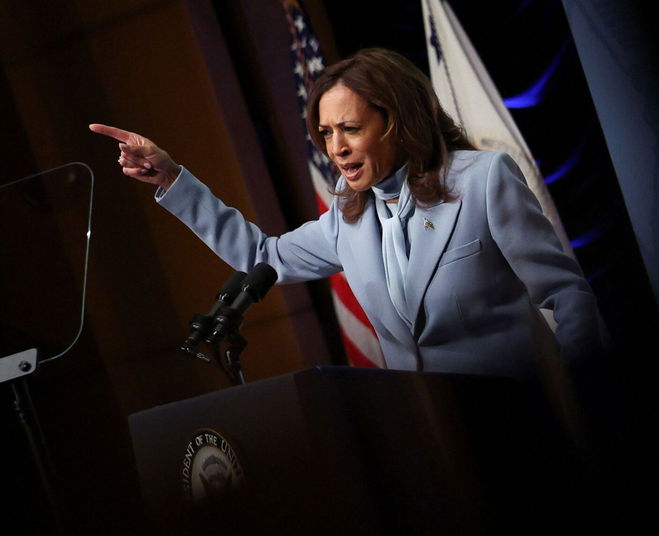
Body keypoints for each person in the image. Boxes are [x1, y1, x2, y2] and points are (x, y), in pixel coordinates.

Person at [90, 48, 603, 382]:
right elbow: (260, 255)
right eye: (326, 133)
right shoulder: (347, 218)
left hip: (529, 419)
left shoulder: (483, 180)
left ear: (397, 122)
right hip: (437, 440)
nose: (335, 148)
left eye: (350, 129)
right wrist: (172, 177)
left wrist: (583, 395)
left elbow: (566, 295)